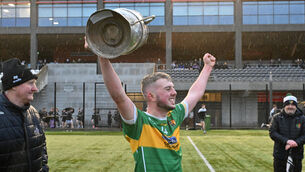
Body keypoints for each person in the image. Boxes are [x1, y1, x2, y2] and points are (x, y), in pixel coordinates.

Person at [85, 38, 216, 172]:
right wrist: (101, 55)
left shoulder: (174, 115)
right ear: (151, 96)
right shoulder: (139, 122)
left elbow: (194, 93)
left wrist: (207, 67)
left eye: (173, 88)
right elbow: (119, 96)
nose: (174, 93)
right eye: (167, 89)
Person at [0, 58, 49, 171]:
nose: (35, 89)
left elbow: (42, 151)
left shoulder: (34, 113)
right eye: (31, 83)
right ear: (14, 85)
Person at [269, 94, 305, 172]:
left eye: (293, 105)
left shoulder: (302, 118)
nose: (290, 106)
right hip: (280, 154)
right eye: (288, 104)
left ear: (296, 106)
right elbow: (273, 133)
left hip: (297, 155)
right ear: (284, 106)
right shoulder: (276, 117)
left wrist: (296, 142)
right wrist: (287, 141)